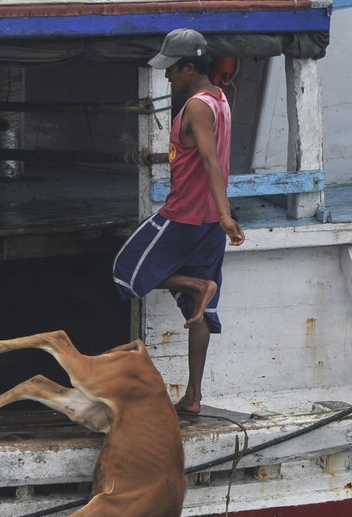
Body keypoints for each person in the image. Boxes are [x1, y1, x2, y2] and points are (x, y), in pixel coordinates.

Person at [112, 28, 245, 415]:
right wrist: (221, 215)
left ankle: (196, 283)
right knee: (197, 311)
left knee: (124, 271)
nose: (168, 77)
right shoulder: (221, 100)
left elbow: (210, 160)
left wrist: (224, 213)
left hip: (184, 215)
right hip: (207, 225)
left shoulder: (197, 106)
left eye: (172, 70)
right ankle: (193, 397)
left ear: (189, 68)